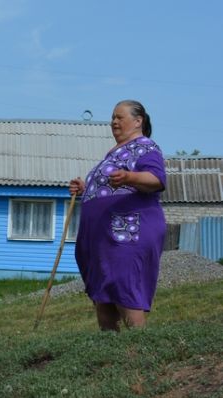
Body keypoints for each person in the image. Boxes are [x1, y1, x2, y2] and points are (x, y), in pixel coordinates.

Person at [69, 100, 166, 331]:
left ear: (138, 121)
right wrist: (85, 188)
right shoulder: (114, 153)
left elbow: (157, 179)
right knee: (104, 293)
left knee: (124, 286)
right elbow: (109, 188)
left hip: (127, 231)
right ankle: (111, 357)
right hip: (102, 236)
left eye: (119, 117)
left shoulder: (144, 147)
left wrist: (130, 177)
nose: (113, 122)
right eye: (112, 117)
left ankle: (139, 352)